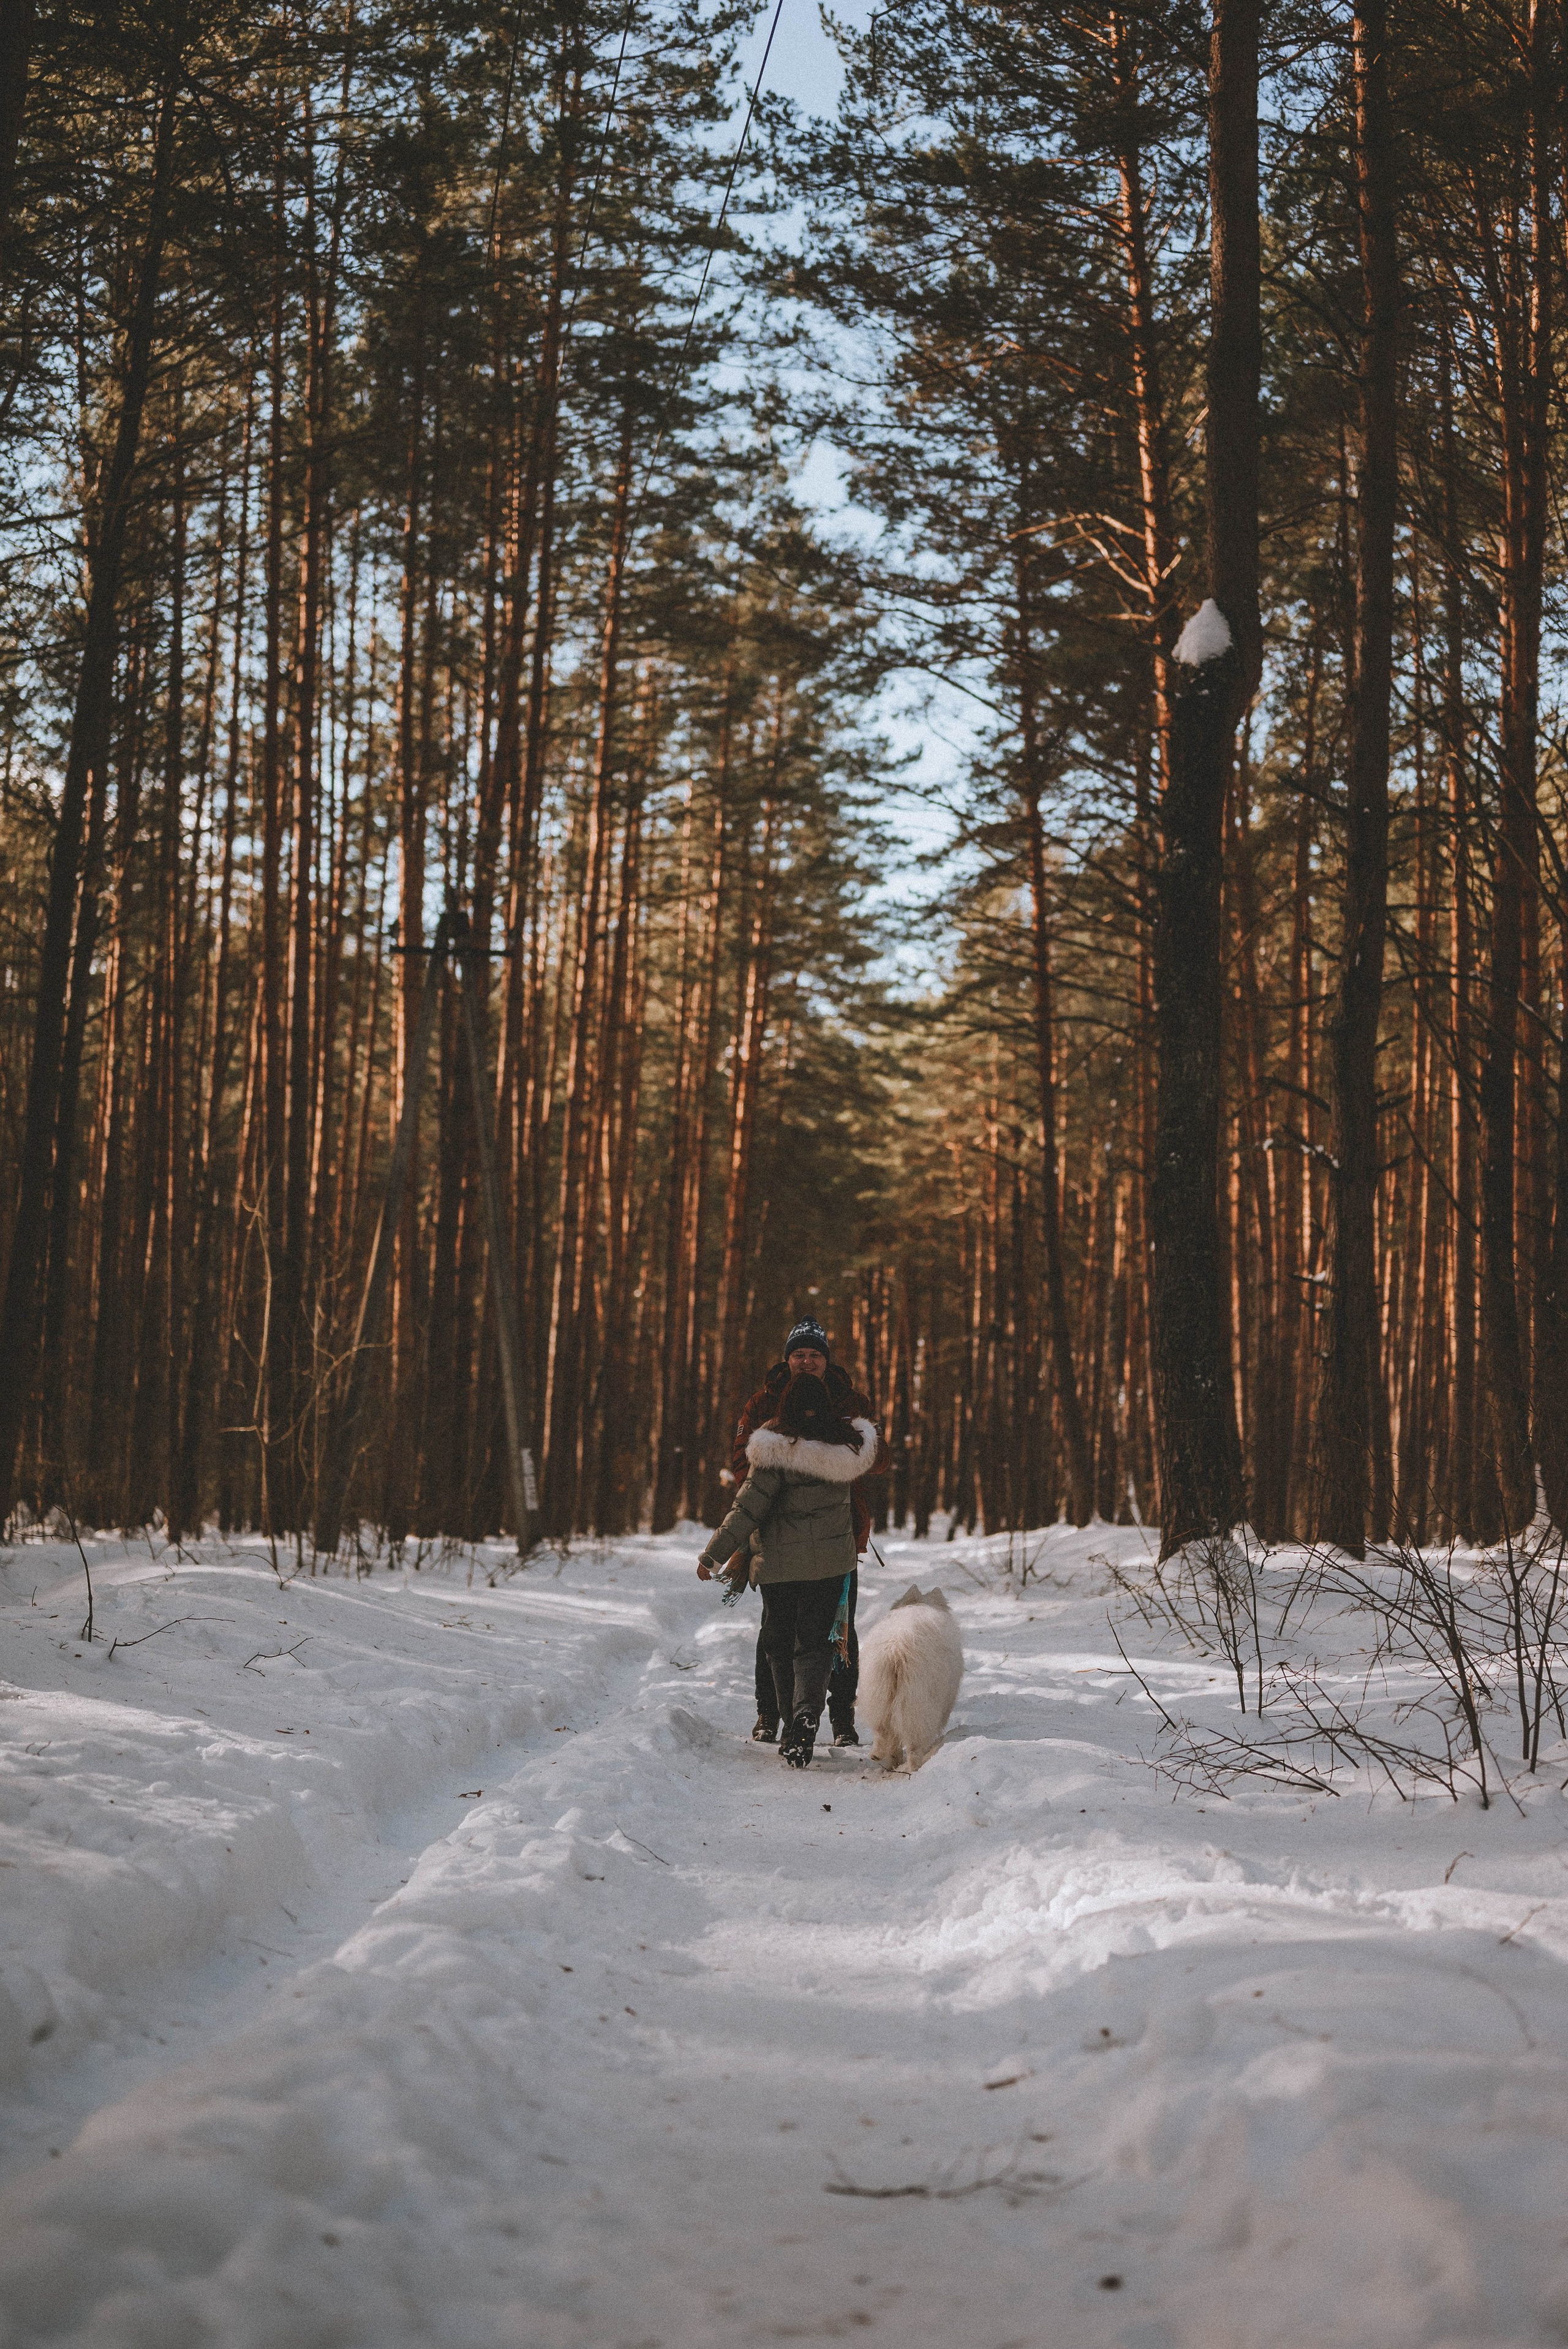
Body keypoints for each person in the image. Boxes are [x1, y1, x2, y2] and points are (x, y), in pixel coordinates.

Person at [698, 1371, 878, 1768]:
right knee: (815, 1644)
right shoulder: (845, 1452)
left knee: (780, 1644)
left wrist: (713, 1555)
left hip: (779, 1568)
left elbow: (747, 1508)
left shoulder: (772, 1452)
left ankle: (792, 1719)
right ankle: (806, 1715)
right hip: (830, 1569)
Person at [726, 1318, 891, 1746]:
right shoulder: (762, 1404)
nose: (806, 1361)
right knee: (776, 1629)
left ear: (825, 1359)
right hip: (777, 1533)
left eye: (814, 1354)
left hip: (839, 1530)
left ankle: (841, 1719)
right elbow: (742, 1460)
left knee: (840, 1627)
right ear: (788, 1358)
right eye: (798, 1354)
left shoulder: (850, 1401)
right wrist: (786, 1475)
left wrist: (836, 1454)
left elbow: (879, 1456)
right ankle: (770, 1714)